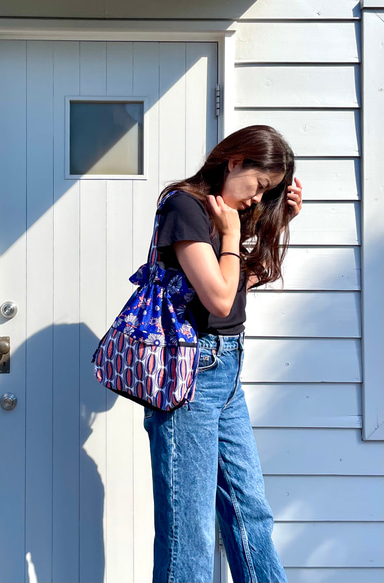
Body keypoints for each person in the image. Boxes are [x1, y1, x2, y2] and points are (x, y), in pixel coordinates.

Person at [143, 124, 303, 583]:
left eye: (268, 193)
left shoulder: (228, 215)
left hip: (227, 370)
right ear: (234, 162)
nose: (257, 199)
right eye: (258, 186)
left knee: (250, 512)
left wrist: (279, 219)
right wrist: (231, 238)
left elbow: (243, 282)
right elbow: (217, 298)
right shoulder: (184, 207)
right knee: (187, 529)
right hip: (191, 373)